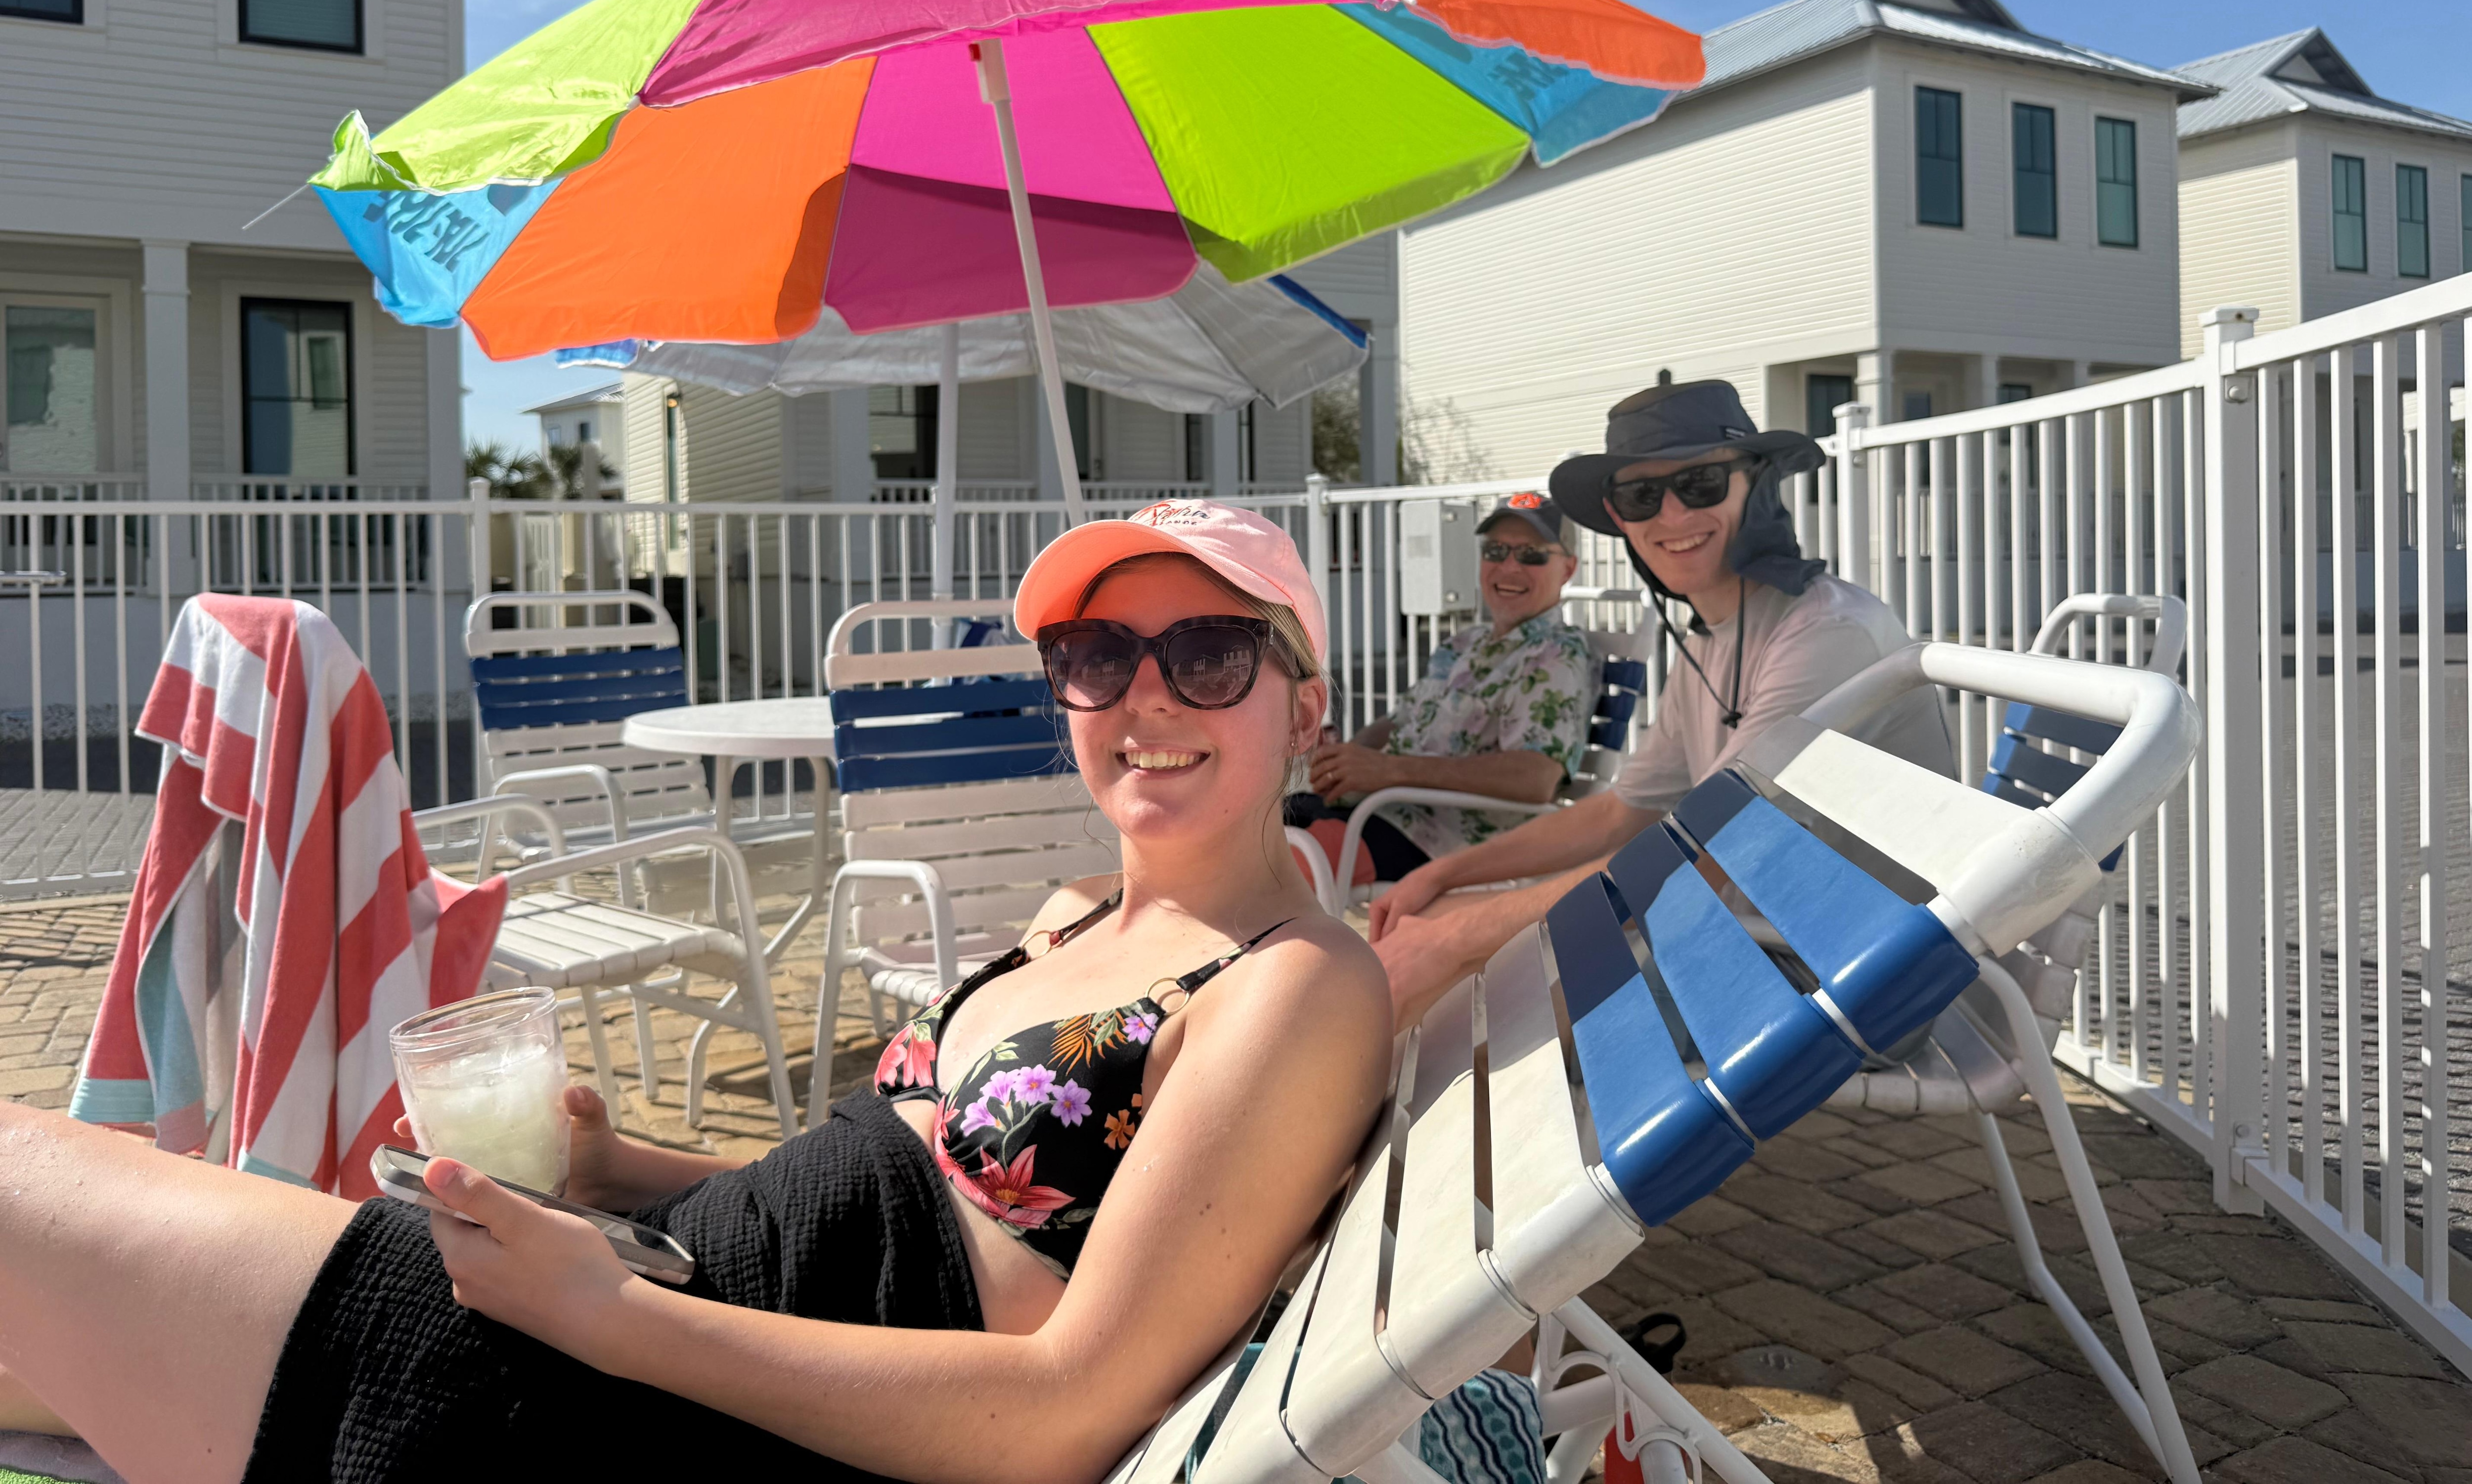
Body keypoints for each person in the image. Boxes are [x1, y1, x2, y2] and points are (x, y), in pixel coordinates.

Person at [0, 501, 1391, 1484]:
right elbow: (904, 1199)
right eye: (1096, 655)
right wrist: (622, 1165)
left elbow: (1064, 1406)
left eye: (1207, 652)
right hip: (658, 1298)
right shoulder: (1073, 916)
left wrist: (605, 1309)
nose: (1143, 697)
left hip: (631, 1398)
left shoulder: (1290, 984)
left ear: (1305, 706)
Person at [1369, 379, 1954, 1026]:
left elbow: (1702, 859)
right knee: (1430, 938)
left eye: (1700, 483)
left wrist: (1456, 935)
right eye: (1642, 495)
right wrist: (1447, 874)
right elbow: (1618, 815)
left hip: (1848, 969)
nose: (1671, 516)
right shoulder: (1711, 639)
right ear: (1621, 519)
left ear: (1756, 483)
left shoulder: (1824, 634)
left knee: (1471, 997)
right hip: (1751, 932)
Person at [1285, 494, 1595, 887]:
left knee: (1280, 868)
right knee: (1244, 824)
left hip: (1445, 840)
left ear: (1568, 569)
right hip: (1380, 809)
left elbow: (1535, 779)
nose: (1509, 567)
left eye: (1531, 554)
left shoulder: (1556, 655)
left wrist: (1390, 770)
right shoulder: (1463, 645)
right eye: (1496, 551)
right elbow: (1402, 721)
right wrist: (1345, 760)